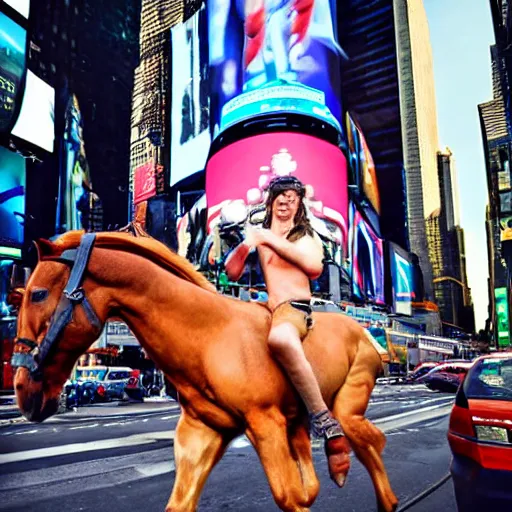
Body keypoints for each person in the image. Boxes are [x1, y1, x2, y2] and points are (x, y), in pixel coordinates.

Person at [225, 175, 345, 447]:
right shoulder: (261, 235)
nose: (286, 201)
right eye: (282, 195)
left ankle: (322, 416)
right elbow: (232, 273)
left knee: (280, 339)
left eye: (293, 198)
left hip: (294, 308)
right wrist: (247, 244)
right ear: (270, 200)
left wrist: (268, 238)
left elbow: (314, 266)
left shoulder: (303, 236)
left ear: (300, 205)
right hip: (268, 307)